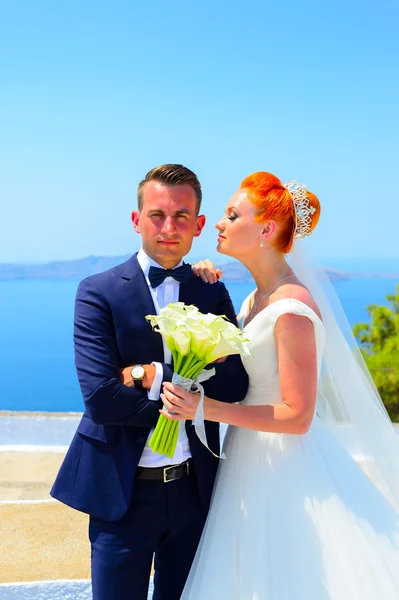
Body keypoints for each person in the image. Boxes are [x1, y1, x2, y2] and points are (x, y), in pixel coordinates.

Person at [161, 171, 399, 599]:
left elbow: (298, 415)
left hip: (285, 464)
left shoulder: (291, 308)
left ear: (267, 229)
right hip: (247, 456)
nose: (219, 222)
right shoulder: (256, 299)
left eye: (233, 215)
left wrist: (204, 409)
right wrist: (199, 277)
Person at [50, 164, 249, 600]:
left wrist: (150, 376)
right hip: (121, 495)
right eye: (157, 215)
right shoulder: (98, 291)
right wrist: (190, 398)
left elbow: (234, 386)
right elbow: (102, 399)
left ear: (198, 225)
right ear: (137, 220)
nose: (168, 227)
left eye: (181, 217)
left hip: (193, 493)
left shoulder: (211, 291)